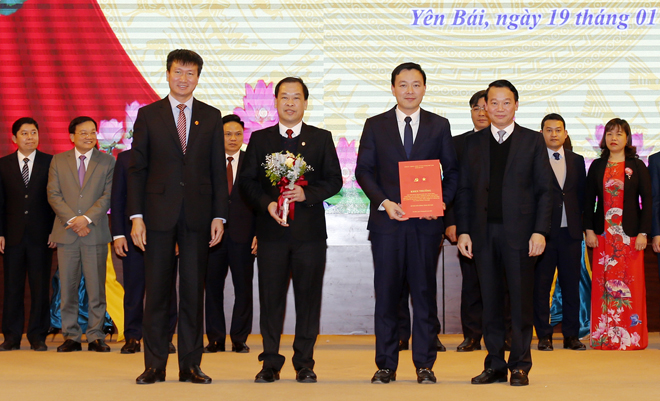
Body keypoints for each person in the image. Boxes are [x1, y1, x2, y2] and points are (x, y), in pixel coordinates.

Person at [128, 49, 228, 384]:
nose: (184, 79)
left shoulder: (212, 117)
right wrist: (136, 216)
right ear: (167, 74)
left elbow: (217, 170)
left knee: (192, 293)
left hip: (198, 217)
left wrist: (219, 216)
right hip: (157, 216)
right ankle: (155, 364)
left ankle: (190, 365)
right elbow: (137, 170)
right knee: (156, 292)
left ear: (198, 77)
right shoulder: (149, 115)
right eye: (178, 72)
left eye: (190, 73)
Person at [355, 62, 458, 384]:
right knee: (386, 295)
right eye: (403, 85)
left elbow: (453, 173)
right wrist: (385, 203)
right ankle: (386, 364)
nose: (410, 90)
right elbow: (364, 171)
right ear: (393, 88)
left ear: (424, 88)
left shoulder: (439, 125)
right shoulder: (375, 125)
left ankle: (425, 364)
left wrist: (441, 203)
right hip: (388, 225)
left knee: (425, 295)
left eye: (416, 85)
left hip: (426, 226)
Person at [240, 77, 342, 383]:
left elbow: (334, 180)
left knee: (308, 300)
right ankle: (270, 362)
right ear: (275, 102)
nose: (290, 103)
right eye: (284, 97)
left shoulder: (321, 138)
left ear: (305, 103)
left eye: (296, 98)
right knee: (270, 299)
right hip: (271, 234)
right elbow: (246, 182)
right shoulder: (260, 140)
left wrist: (306, 195)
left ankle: (304, 362)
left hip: (309, 235)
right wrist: (268, 204)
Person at [456, 80, 553, 386]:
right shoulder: (473, 143)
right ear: (485, 106)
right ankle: (495, 364)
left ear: (516, 105)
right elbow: (465, 192)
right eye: (493, 103)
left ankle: (521, 365)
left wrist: (540, 231)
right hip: (483, 236)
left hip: (521, 235)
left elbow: (545, 191)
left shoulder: (533, 141)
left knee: (521, 302)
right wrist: (464, 231)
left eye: (505, 102)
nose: (498, 108)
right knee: (490, 302)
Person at [47, 116, 115, 353]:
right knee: (68, 288)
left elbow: (107, 195)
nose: (89, 136)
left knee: (96, 287)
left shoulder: (107, 161)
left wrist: (85, 219)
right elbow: (53, 194)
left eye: (92, 132)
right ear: (72, 136)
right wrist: (73, 221)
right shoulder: (58, 160)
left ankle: (96, 335)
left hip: (94, 231)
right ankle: (72, 335)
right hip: (67, 233)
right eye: (83, 132)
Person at [584, 118, 650, 350]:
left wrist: (644, 232)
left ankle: (631, 337)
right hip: (603, 236)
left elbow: (648, 202)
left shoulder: (637, 166)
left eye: (619, 134)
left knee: (631, 285)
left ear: (627, 139)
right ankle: (605, 336)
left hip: (630, 237)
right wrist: (589, 230)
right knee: (603, 284)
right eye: (610, 134)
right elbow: (588, 201)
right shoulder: (597, 166)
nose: (614, 138)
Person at [111, 149, 179, 354]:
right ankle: (132, 335)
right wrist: (118, 234)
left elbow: (178, 198)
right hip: (132, 234)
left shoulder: (172, 154)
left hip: (166, 232)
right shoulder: (124, 158)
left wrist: (178, 236)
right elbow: (117, 198)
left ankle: (165, 337)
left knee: (166, 288)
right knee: (134, 287)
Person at [0, 117, 55, 351]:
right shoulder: (3, 164)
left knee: (40, 287)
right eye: (24, 133)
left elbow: (56, 201)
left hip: (42, 236)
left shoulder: (51, 163)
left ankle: (37, 335)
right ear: (14, 138)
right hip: (11, 236)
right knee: (12, 287)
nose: (30, 137)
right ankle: (11, 336)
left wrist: (55, 230)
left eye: (34, 132)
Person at [533, 113, 586, 351]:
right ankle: (544, 335)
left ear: (565, 133)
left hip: (571, 234)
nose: (554, 134)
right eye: (548, 130)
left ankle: (571, 336)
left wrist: (583, 227)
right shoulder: (534, 160)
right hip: (544, 234)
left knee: (571, 286)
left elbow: (583, 197)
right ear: (541, 133)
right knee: (541, 286)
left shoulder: (577, 160)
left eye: (558, 130)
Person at [204, 114, 257, 354]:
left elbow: (260, 202)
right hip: (212, 237)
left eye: (237, 134)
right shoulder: (207, 161)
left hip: (244, 236)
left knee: (243, 288)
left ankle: (239, 338)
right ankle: (215, 338)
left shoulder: (251, 162)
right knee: (212, 288)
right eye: (227, 134)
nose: (233, 138)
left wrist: (259, 234)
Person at [443, 90, 489, 352]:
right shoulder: (457, 144)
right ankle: (472, 335)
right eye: (476, 108)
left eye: (486, 107)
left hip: (501, 225)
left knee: (504, 283)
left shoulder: (509, 141)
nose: (481, 113)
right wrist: (451, 221)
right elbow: (451, 185)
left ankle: (504, 333)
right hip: (468, 226)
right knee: (471, 282)